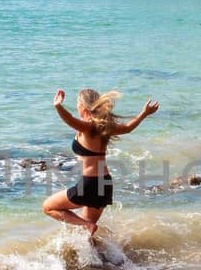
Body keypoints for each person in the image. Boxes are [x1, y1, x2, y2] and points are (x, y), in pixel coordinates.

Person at [43, 87, 159, 237]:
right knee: (87, 235)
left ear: (82, 106)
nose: (77, 107)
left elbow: (69, 119)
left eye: (77, 103)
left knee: (48, 207)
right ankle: (101, 258)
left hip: (90, 184)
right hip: (104, 184)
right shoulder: (106, 127)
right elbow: (128, 128)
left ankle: (87, 225)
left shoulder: (88, 127)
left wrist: (58, 106)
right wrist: (144, 114)